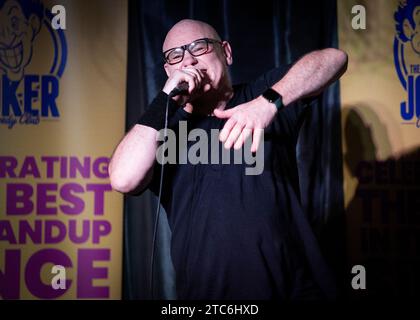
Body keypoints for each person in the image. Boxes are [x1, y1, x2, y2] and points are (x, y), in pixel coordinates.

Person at [109, 19, 348, 300]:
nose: (188, 59)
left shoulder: (260, 94)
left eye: (199, 47)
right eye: (176, 55)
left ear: (227, 52)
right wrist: (165, 99)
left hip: (291, 289)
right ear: (167, 70)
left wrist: (268, 103)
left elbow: (334, 59)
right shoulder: (164, 132)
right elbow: (122, 178)